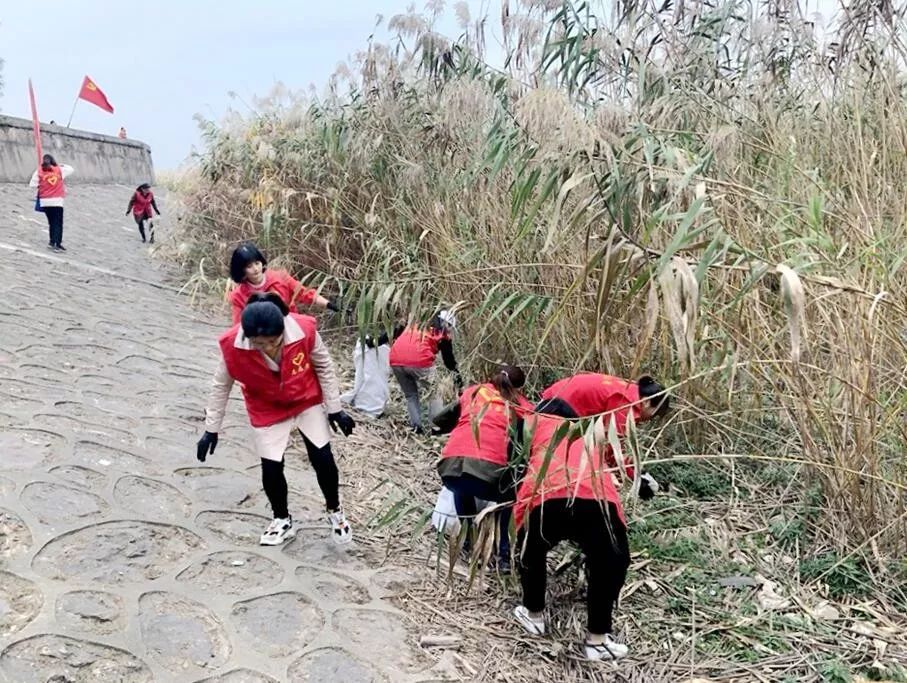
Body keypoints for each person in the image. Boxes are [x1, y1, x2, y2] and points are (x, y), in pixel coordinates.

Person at [511, 396, 666, 661]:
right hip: (595, 497)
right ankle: (597, 640)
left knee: (531, 550)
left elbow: (514, 465)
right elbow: (618, 459)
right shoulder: (590, 432)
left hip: (547, 494)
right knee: (611, 561)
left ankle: (533, 614)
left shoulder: (532, 424)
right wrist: (641, 479)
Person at [196, 293, 355, 546]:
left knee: (323, 458)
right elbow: (220, 386)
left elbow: (324, 365)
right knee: (271, 466)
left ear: (282, 326)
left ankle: (335, 510)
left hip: (305, 399)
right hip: (266, 406)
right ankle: (281, 518)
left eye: (273, 341)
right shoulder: (232, 346)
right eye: (260, 344)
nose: (268, 348)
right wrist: (211, 430)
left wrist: (335, 409)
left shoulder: (304, 329)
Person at [435, 365, 534, 568]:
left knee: (462, 486)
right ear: (520, 388)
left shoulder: (475, 391)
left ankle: (468, 538)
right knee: (509, 497)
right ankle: (504, 554)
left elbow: (441, 419)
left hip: (449, 468)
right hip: (488, 474)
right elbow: (529, 442)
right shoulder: (523, 407)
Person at [228, 243, 338, 324]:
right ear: (241, 270)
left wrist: (330, 305)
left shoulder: (281, 278)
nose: (256, 269)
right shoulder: (238, 296)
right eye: (249, 266)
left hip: (291, 325)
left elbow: (305, 293)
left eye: (257, 263)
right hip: (262, 338)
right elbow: (239, 325)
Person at [389, 311, 460, 433]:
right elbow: (449, 362)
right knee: (435, 391)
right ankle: (437, 427)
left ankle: (416, 427)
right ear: (445, 323)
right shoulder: (441, 334)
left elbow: (396, 333)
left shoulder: (416, 325)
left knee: (410, 395)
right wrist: (459, 381)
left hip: (395, 359)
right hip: (419, 360)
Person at [541, 373, 671, 422]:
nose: (649, 419)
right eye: (654, 414)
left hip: (559, 395)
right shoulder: (625, 402)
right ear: (647, 402)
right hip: (559, 406)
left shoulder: (628, 389)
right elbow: (611, 443)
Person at [340, 332, 391, 418]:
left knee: (371, 382)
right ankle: (368, 405)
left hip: (374, 381)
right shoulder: (367, 344)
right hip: (370, 374)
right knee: (367, 382)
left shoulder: (379, 347)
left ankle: (369, 405)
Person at [29, 154, 74, 252]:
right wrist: (60, 164)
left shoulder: (39, 171)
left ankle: (51, 241)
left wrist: (42, 185)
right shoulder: (60, 170)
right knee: (57, 223)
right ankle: (57, 244)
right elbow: (71, 169)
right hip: (57, 201)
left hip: (45, 201)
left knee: (51, 222)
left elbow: (32, 184)